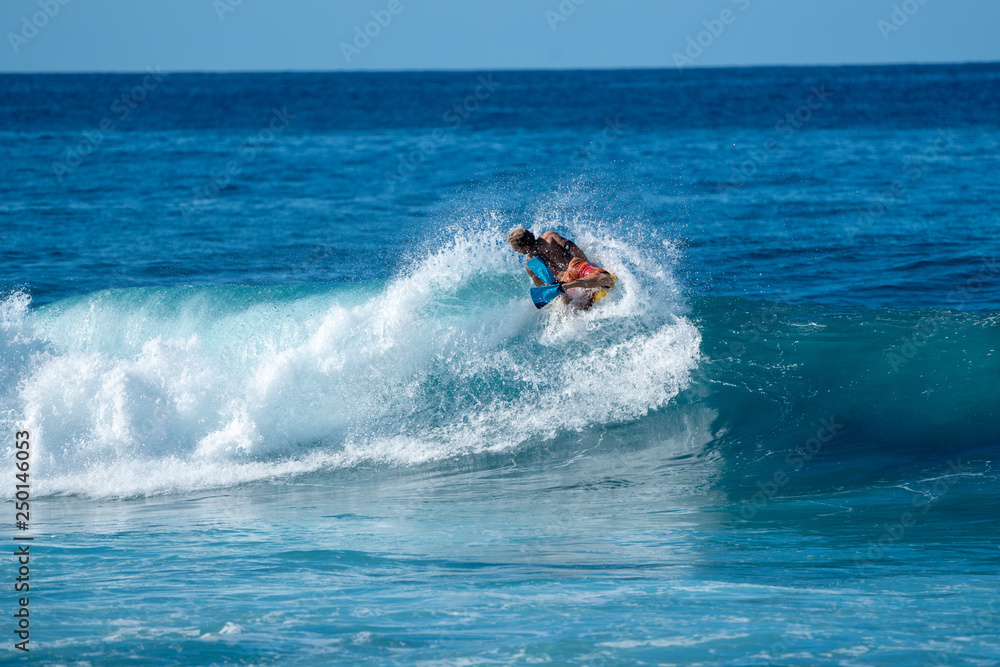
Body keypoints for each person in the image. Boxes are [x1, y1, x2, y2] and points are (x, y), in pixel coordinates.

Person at [507, 228, 615, 308]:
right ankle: (575, 285)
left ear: (525, 247)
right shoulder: (548, 236)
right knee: (606, 279)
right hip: (576, 266)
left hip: (565, 282)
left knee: (577, 308)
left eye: (516, 248)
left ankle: (570, 288)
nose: (516, 251)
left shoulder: (530, 265)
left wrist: (563, 298)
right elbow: (572, 248)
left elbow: (547, 288)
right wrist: (588, 263)